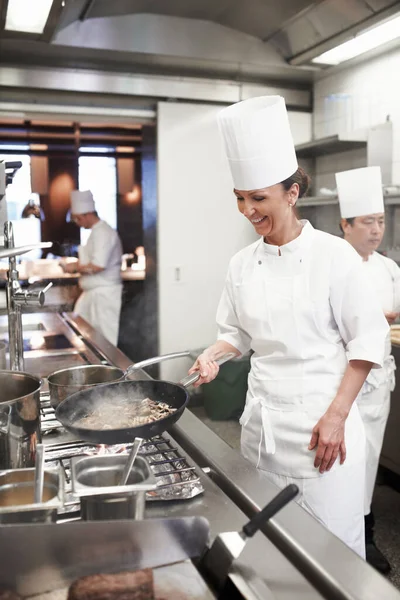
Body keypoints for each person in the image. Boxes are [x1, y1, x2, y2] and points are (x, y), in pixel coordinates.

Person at [188, 96, 389, 558]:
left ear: (291, 194)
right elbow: (235, 332)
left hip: (324, 431)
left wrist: (338, 416)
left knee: (331, 555)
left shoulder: (334, 256)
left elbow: (368, 339)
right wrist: (213, 354)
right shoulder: (242, 264)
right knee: (273, 551)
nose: (247, 210)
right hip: (263, 430)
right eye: (240, 198)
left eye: (258, 198)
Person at [336, 166, 400, 572]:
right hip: (339, 380)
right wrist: (374, 316)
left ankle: (365, 533)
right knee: (336, 461)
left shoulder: (389, 268)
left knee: (369, 459)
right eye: (367, 222)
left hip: (377, 382)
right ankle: (333, 536)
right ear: (345, 224)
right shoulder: (332, 262)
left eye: (381, 221)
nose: (376, 230)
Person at [61, 190, 123, 346]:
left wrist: (74, 267)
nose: (77, 222)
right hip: (93, 294)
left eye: (78, 218)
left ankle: (110, 370)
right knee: (88, 336)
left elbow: (97, 266)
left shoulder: (103, 232)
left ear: (88, 214)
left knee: (105, 340)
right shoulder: (95, 233)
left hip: (104, 296)